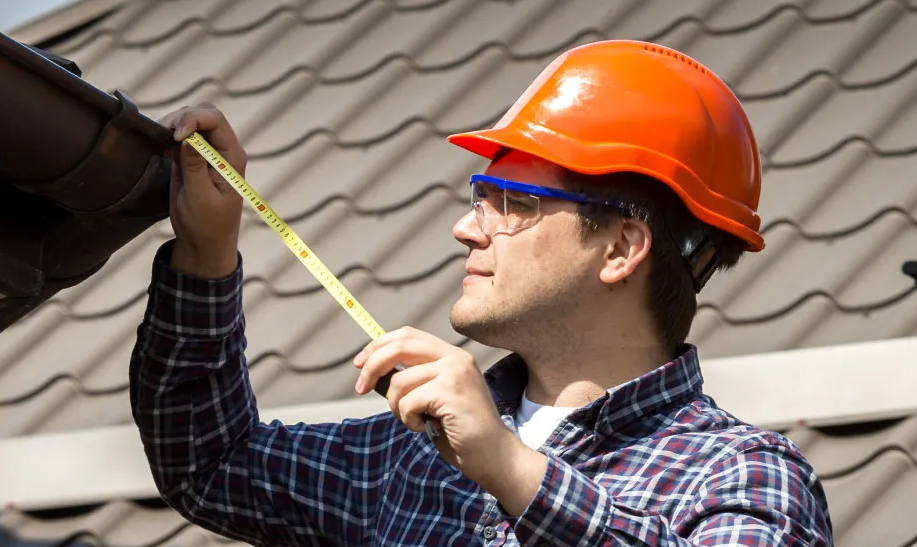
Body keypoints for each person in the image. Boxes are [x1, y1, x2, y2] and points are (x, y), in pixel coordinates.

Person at [129, 40, 833, 546]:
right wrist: (206, 251)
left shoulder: (741, 475)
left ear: (620, 248)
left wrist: (510, 469)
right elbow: (207, 462)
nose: (466, 228)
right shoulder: (408, 454)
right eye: (478, 197)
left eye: (510, 202)